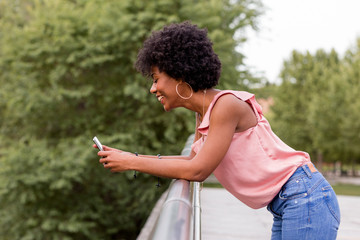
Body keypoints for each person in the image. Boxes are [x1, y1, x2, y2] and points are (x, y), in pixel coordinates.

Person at [94, 21, 340, 239]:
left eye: (156, 79)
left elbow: (198, 170)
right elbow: (193, 160)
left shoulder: (225, 105)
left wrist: (131, 163)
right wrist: (130, 157)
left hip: (305, 197)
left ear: (179, 74)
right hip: (289, 203)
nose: (153, 88)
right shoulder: (203, 112)